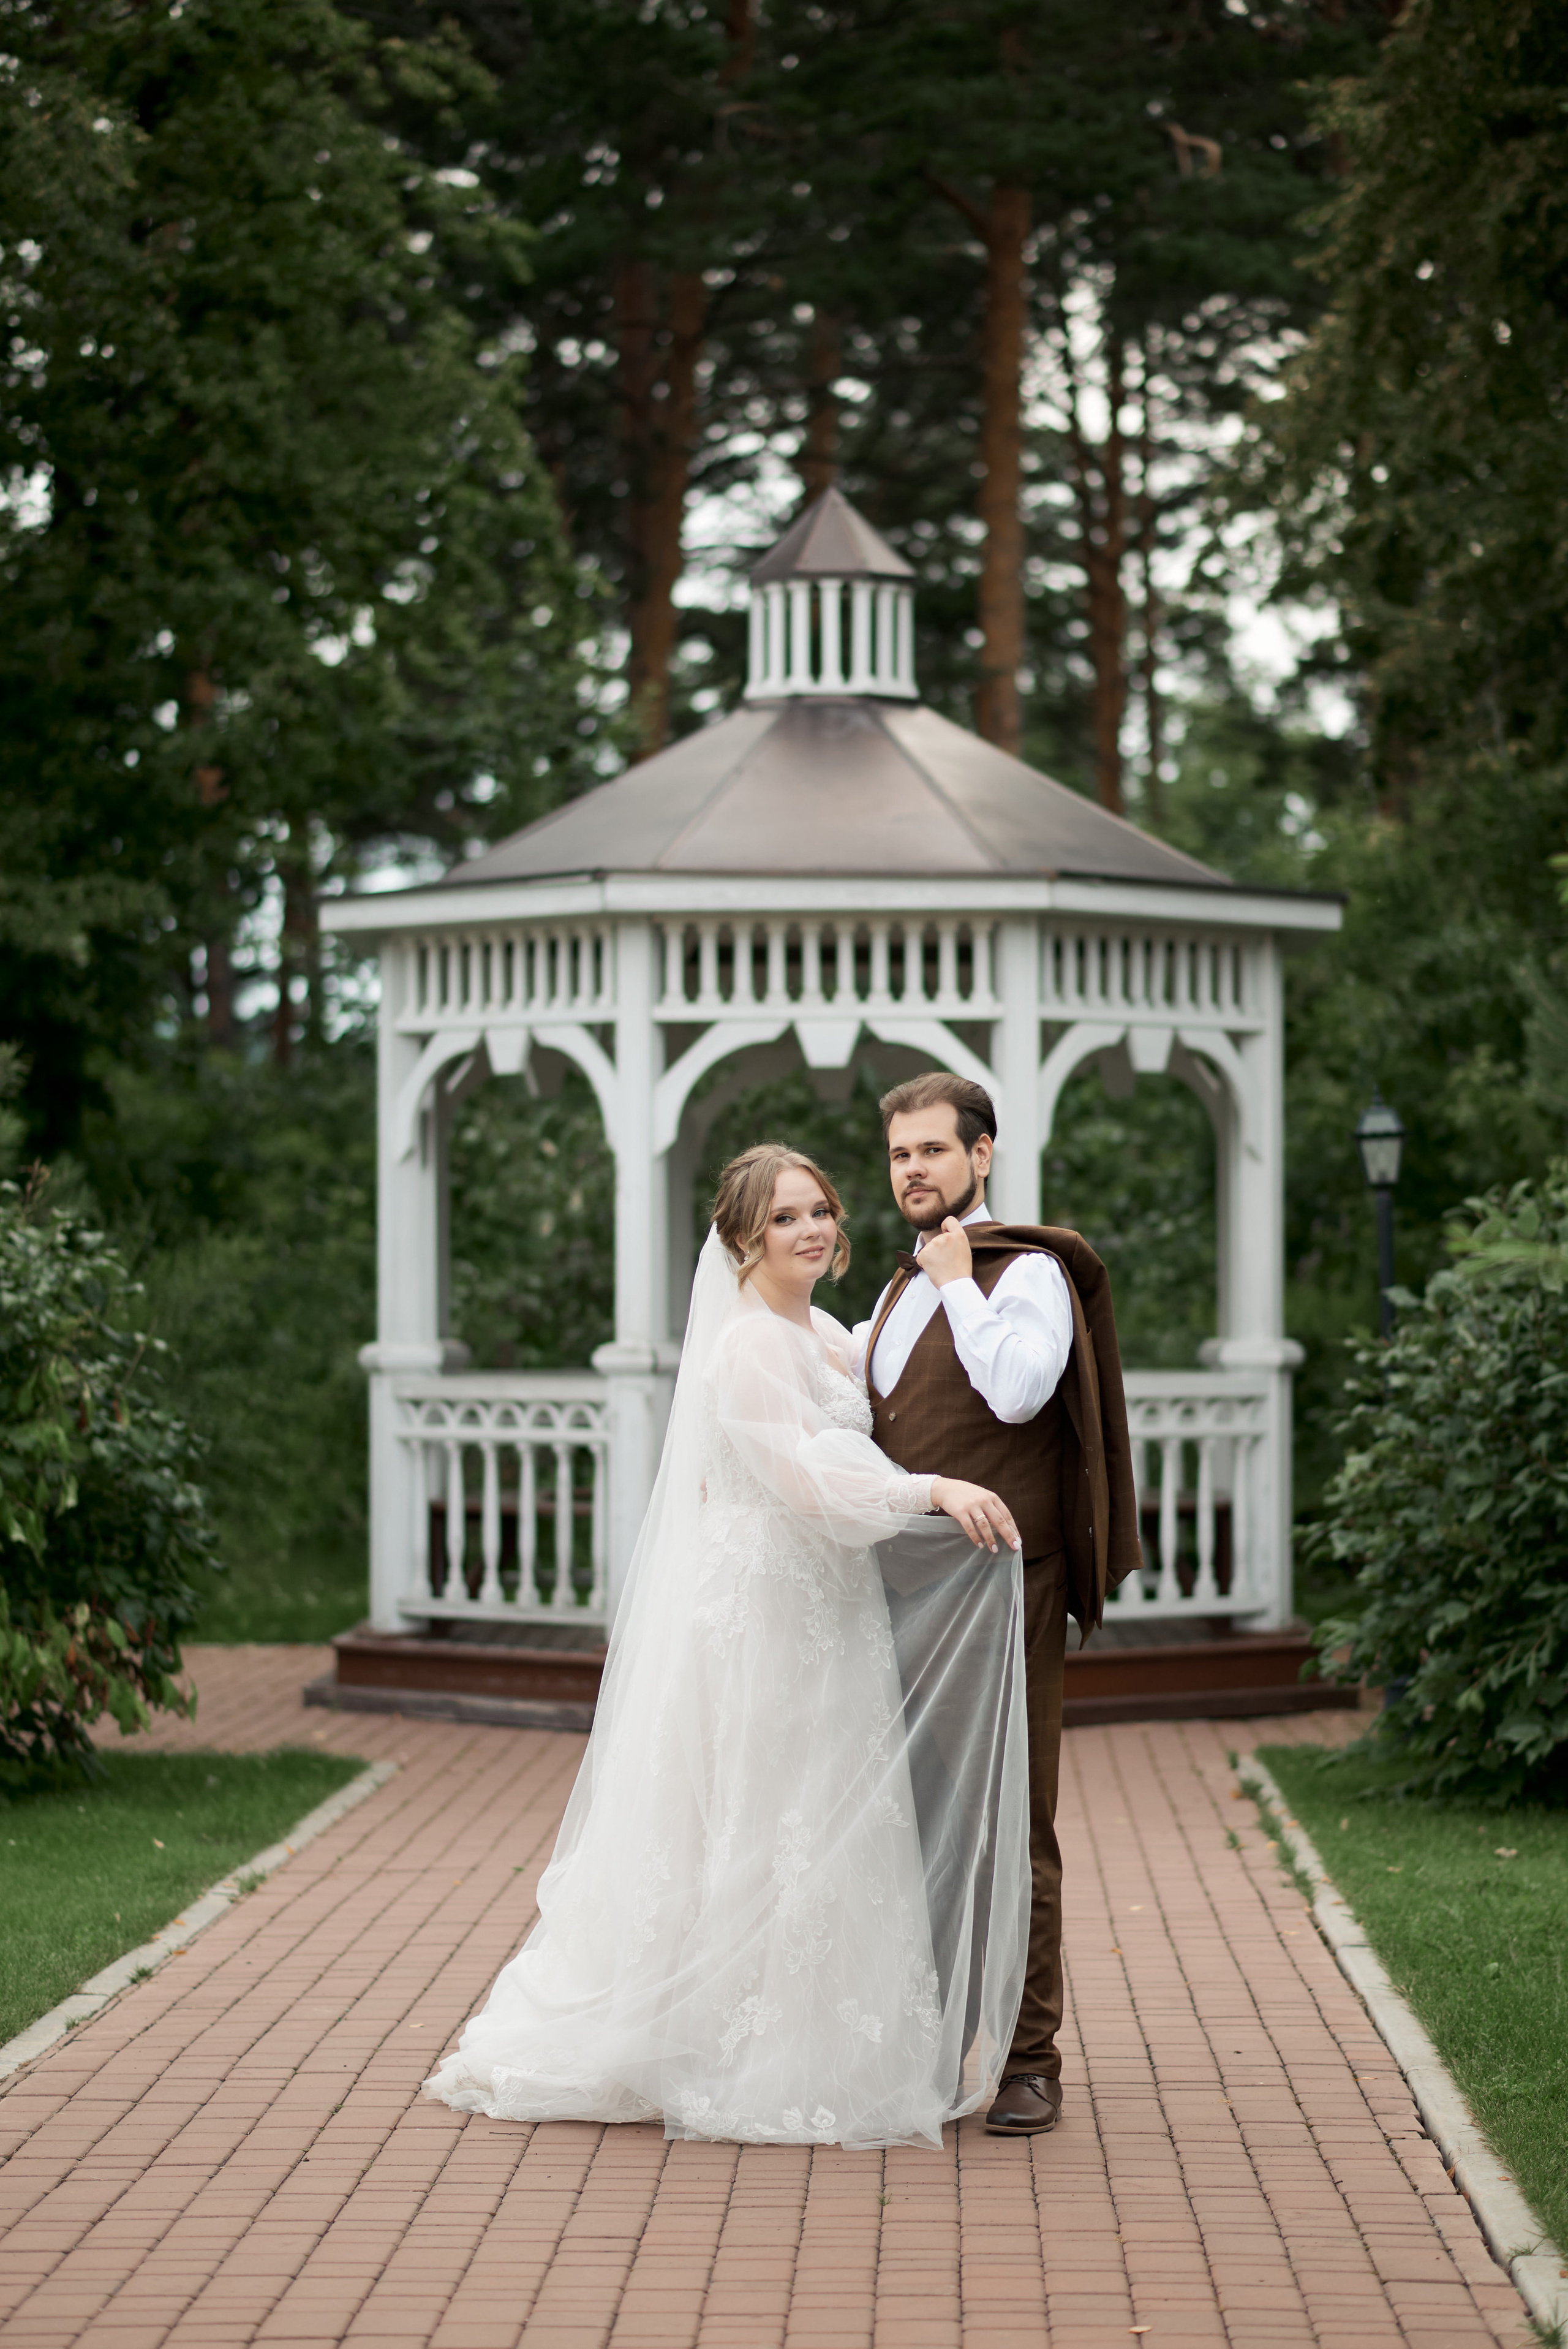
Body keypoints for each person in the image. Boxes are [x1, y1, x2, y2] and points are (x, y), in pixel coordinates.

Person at [424, 1143, 1033, 2149]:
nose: (812, 1229)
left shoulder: (831, 1334)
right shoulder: (749, 1344)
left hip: (829, 1603)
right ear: (745, 1237)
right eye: (786, 1216)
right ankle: (731, 2047)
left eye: (821, 1211)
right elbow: (803, 1479)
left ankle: (818, 2040)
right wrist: (929, 1491)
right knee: (765, 1814)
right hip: (764, 1607)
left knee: (822, 1808)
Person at [851, 1073, 1142, 2138]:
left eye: (934, 1150)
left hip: (1007, 1580)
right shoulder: (888, 1296)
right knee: (913, 1820)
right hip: (904, 1584)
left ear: (982, 1155)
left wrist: (960, 1280)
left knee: (1014, 1819)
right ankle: (927, 2041)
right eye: (899, 1155)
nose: (914, 1170)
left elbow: (1018, 1390)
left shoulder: (1028, 1273)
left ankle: (1029, 2057)